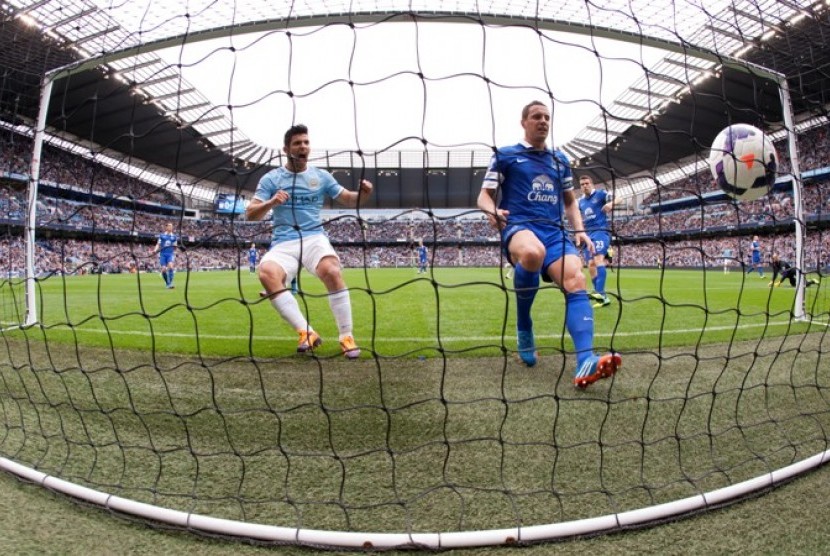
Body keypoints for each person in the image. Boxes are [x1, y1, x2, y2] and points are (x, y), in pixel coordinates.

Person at [477, 100, 621, 388]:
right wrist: (491, 211)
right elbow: (484, 195)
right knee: (532, 253)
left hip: (555, 232)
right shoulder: (505, 155)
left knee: (576, 279)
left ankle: (585, 362)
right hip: (519, 226)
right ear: (524, 122)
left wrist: (579, 230)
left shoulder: (560, 160)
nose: (543, 120)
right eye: (536, 116)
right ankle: (524, 325)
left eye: (546, 116)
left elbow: (569, 201)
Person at [246, 123, 373, 359]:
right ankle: (306, 333)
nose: (303, 147)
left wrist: (363, 194)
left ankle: (346, 336)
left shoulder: (320, 176)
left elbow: (348, 199)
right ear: (286, 149)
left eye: (306, 142)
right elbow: (250, 213)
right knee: (266, 273)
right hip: (284, 242)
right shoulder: (271, 179)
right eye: (297, 143)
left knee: (332, 271)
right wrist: (271, 203)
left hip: (314, 237)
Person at [578, 174, 620, 308]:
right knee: (590, 264)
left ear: (592, 184)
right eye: (582, 184)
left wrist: (610, 204)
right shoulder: (581, 202)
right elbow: (580, 218)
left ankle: (600, 292)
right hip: (588, 235)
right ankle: (604, 299)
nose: (585, 186)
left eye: (587, 183)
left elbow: (620, 198)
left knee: (598, 260)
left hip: (601, 232)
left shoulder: (601, 194)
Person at [152, 222, 179, 289]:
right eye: (169, 226)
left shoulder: (174, 237)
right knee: (164, 269)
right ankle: (168, 283)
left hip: (170, 254)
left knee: (171, 267)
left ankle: (170, 283)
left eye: (171, 226)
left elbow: (175, 246)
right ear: (166, 227)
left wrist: (176, 251)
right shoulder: (162, 236)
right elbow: (158, 244)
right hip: (163, 254)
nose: (170, 227)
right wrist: (155, 250)